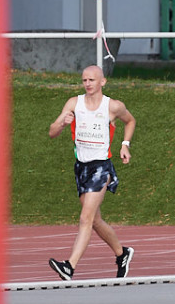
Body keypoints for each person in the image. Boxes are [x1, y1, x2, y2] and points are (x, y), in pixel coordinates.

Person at [48, 64, 136, 280]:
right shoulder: (73, 103)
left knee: (85, 218)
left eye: (92, 80)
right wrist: (62, 122)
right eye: (84, 80)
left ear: (102, 82)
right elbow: (52, 133)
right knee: (95, 220)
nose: (87, 83)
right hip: (81, 167)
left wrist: (125, 144)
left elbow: (130, 121)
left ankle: (70, 266)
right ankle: (122, 253)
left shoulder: (112, 106)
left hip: (101, 167)